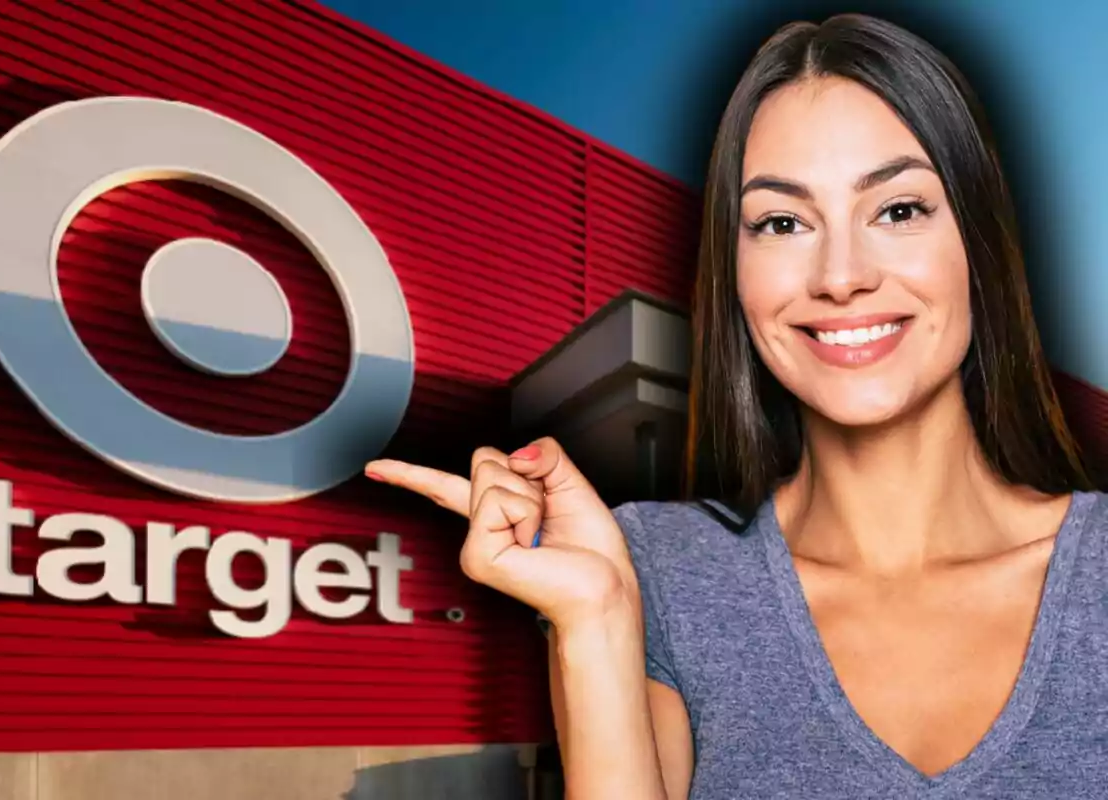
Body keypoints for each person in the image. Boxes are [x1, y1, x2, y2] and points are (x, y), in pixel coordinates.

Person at [363, 13, 1107, 799]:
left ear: (980, 242)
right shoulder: (661, 575)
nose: (841, 275)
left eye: (897, 210)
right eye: (782, 223)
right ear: (736, 274)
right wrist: (600, 619)